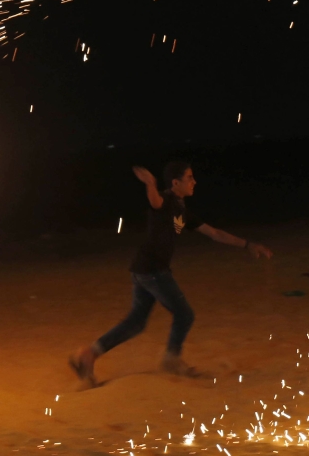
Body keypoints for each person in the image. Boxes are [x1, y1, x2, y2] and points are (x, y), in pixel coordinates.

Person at [70, 161, 273, 386]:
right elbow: (154, 201)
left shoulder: (182, 210)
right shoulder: (166, 201)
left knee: (137, 322)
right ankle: (171, 360)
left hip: (143, 269)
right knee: (185, 314)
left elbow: (215, 233)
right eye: (189, 178)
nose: (194, 182)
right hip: (153, 270)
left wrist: (248, 245)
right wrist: (150, 183)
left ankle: (89, 354)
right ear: (175, 183)